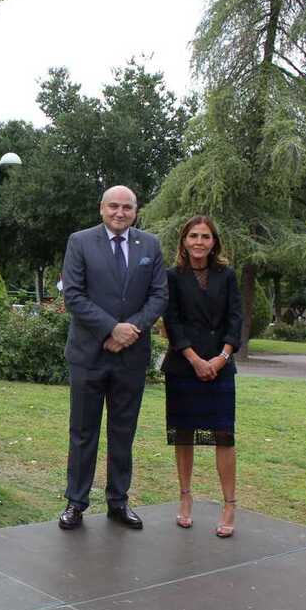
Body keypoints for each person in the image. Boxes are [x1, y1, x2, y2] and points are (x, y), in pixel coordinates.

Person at [59, 185, 167, 532]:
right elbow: (73, 296)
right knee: (83, 432)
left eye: (127, 207)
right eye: (113, 207)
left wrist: (130, 330)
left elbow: (159, 295)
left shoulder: (150, 245)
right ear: (101, 208)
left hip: (131, 357)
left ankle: (118, 502)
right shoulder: (80, 241)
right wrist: (110, 329)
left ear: (136, 211)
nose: (120, 213)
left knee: (123, 432)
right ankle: (76, 503)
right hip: (88, 355)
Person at [161, 216, 242, 538]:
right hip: (184, 365)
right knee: (184, 434)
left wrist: (221, 358)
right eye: (193, 236)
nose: (198, 241)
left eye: (205, 236)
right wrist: (195, 359)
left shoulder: (228, 276)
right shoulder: (172, 277)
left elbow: (236, 319)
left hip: (220, 366)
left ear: (214, 242)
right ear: (183, 241)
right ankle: (185, 497)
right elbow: (173, 321)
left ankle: (230, 503)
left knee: (224, 435)